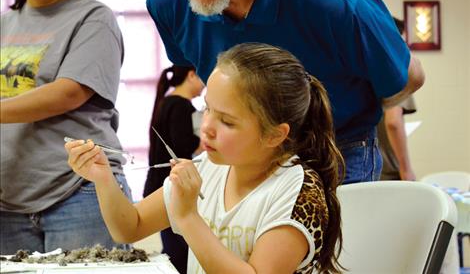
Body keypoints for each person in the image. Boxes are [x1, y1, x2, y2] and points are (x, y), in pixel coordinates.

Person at [66, 43, 344, 274]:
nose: (206, 126)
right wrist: (102, 177)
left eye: (227, 121)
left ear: (274, 135)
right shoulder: (209, 166)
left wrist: (187, 217)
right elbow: (130, 226)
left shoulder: (299, 191)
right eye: (207, 109)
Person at [146, 0, 425, 184]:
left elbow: (409, 75)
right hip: (251, 149)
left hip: (339, 145)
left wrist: (328, 117)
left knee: (334, 252)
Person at [0, 0, 131, 254]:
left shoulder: (94, 18)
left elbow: (69, 92)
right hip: (9, 202)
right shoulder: (5, 24)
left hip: (78, 191)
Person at [144, 65, 204, 273]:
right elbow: (182, 146)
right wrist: (203, 142)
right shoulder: (181, 106)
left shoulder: (167, 102)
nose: (203, 86)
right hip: (169, 187)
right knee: (179, 255)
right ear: (191, 75)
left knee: (173, 249)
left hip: (158, 184)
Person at [378, 17, 418, 181]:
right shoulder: (395, 73)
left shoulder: (360, 69)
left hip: (365, 166)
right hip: (389, 174)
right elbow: (393, 122)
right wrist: (406, 169)